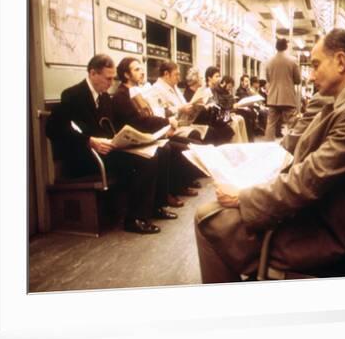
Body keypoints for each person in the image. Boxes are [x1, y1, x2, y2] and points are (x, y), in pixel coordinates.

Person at [195, 29, 345, 282]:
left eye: (315, 65)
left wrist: (244, 196)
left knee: (207, 218)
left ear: (340, 61)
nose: (311, 75)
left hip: (321, 231)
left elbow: (309, 179)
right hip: (319, 210)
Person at [46, 54, 171, 235]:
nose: (111, 82)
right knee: (145, 161)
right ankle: (134, 219)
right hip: (86, 156)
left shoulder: (104, 97)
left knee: (155, 152)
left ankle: (153, 208)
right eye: (108, 78)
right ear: (93, 73)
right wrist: (89, 141)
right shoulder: (72, 95)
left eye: (113, 78)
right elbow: (54, 129)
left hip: (108, 151)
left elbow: (110, 127)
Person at [112, 57, 201, 203]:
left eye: (141, 68)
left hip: (150, 134)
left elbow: (152, 114)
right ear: (126, 75)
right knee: (166, 150)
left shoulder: (137, 91)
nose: (142, 72)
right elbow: (139, 121)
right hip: (135, 141)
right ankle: (162, 199)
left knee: (185, 145)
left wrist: (164, 126)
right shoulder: (122, 95)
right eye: (136, 69)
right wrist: (166, 122)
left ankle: (170, 192)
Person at [264, 38, 301, 141]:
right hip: (287, 97)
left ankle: (269, 146)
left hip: (273, 97)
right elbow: (298, 80)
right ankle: (291, 145)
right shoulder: (292, 61)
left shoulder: (269, 61)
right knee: (291, 123)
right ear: (286, 46)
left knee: (270, 123)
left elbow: (268, 79)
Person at [204, 67, 248, 143]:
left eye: (219, 76)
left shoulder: (214, 90)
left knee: (240, 118)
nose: (219, 78)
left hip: (221, 116)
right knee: (234, 122)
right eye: (216, 76)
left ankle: (244, 144)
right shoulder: (207, 91)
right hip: (214, 120)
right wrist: (228, 113)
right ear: (209, 78)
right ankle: (236, 147)